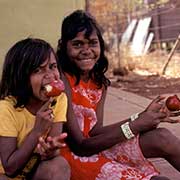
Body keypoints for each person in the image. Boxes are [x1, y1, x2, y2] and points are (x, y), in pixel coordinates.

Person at [56, 10, 180, 180]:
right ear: (64, 46)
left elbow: (94, 131)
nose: (86, 50)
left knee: (163, 137)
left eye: (92, 43)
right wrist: (136, 126)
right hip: (72, 156)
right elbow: (80, 146)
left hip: (96, 146)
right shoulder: (62, 82)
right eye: (77, 44)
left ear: (100, 45)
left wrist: (143, 117)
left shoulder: (99, 82)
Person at [0, 38, 70, 180]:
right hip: (6, 174)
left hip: (33, 170)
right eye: (37, 70)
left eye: (53, 66)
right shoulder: (6, 108)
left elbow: (53, 146)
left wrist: (50, 150)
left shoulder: (59, 99)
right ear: (20, 77)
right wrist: (37, 131)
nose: (50, 75)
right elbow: (9, 168)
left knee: (59, 166)